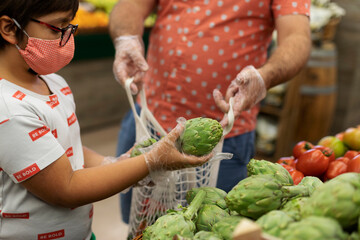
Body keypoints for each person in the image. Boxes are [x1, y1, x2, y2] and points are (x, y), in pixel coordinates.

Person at [0, 0, 212, 239]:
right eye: (57, 29)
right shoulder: (9, 109)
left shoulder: (54, 82)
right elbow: (66, 187)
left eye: (70, 28)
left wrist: (115, 164)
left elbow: (69, 149)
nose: (67, 40)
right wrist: (150, 162)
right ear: (9, 28)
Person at [110, 0, 311, 224]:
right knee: (141, 226)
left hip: (222, 139)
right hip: (148, 119)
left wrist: (265, 77)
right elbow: (131, 5)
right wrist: (126, 38)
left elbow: (297, 37)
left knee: (208, 227)